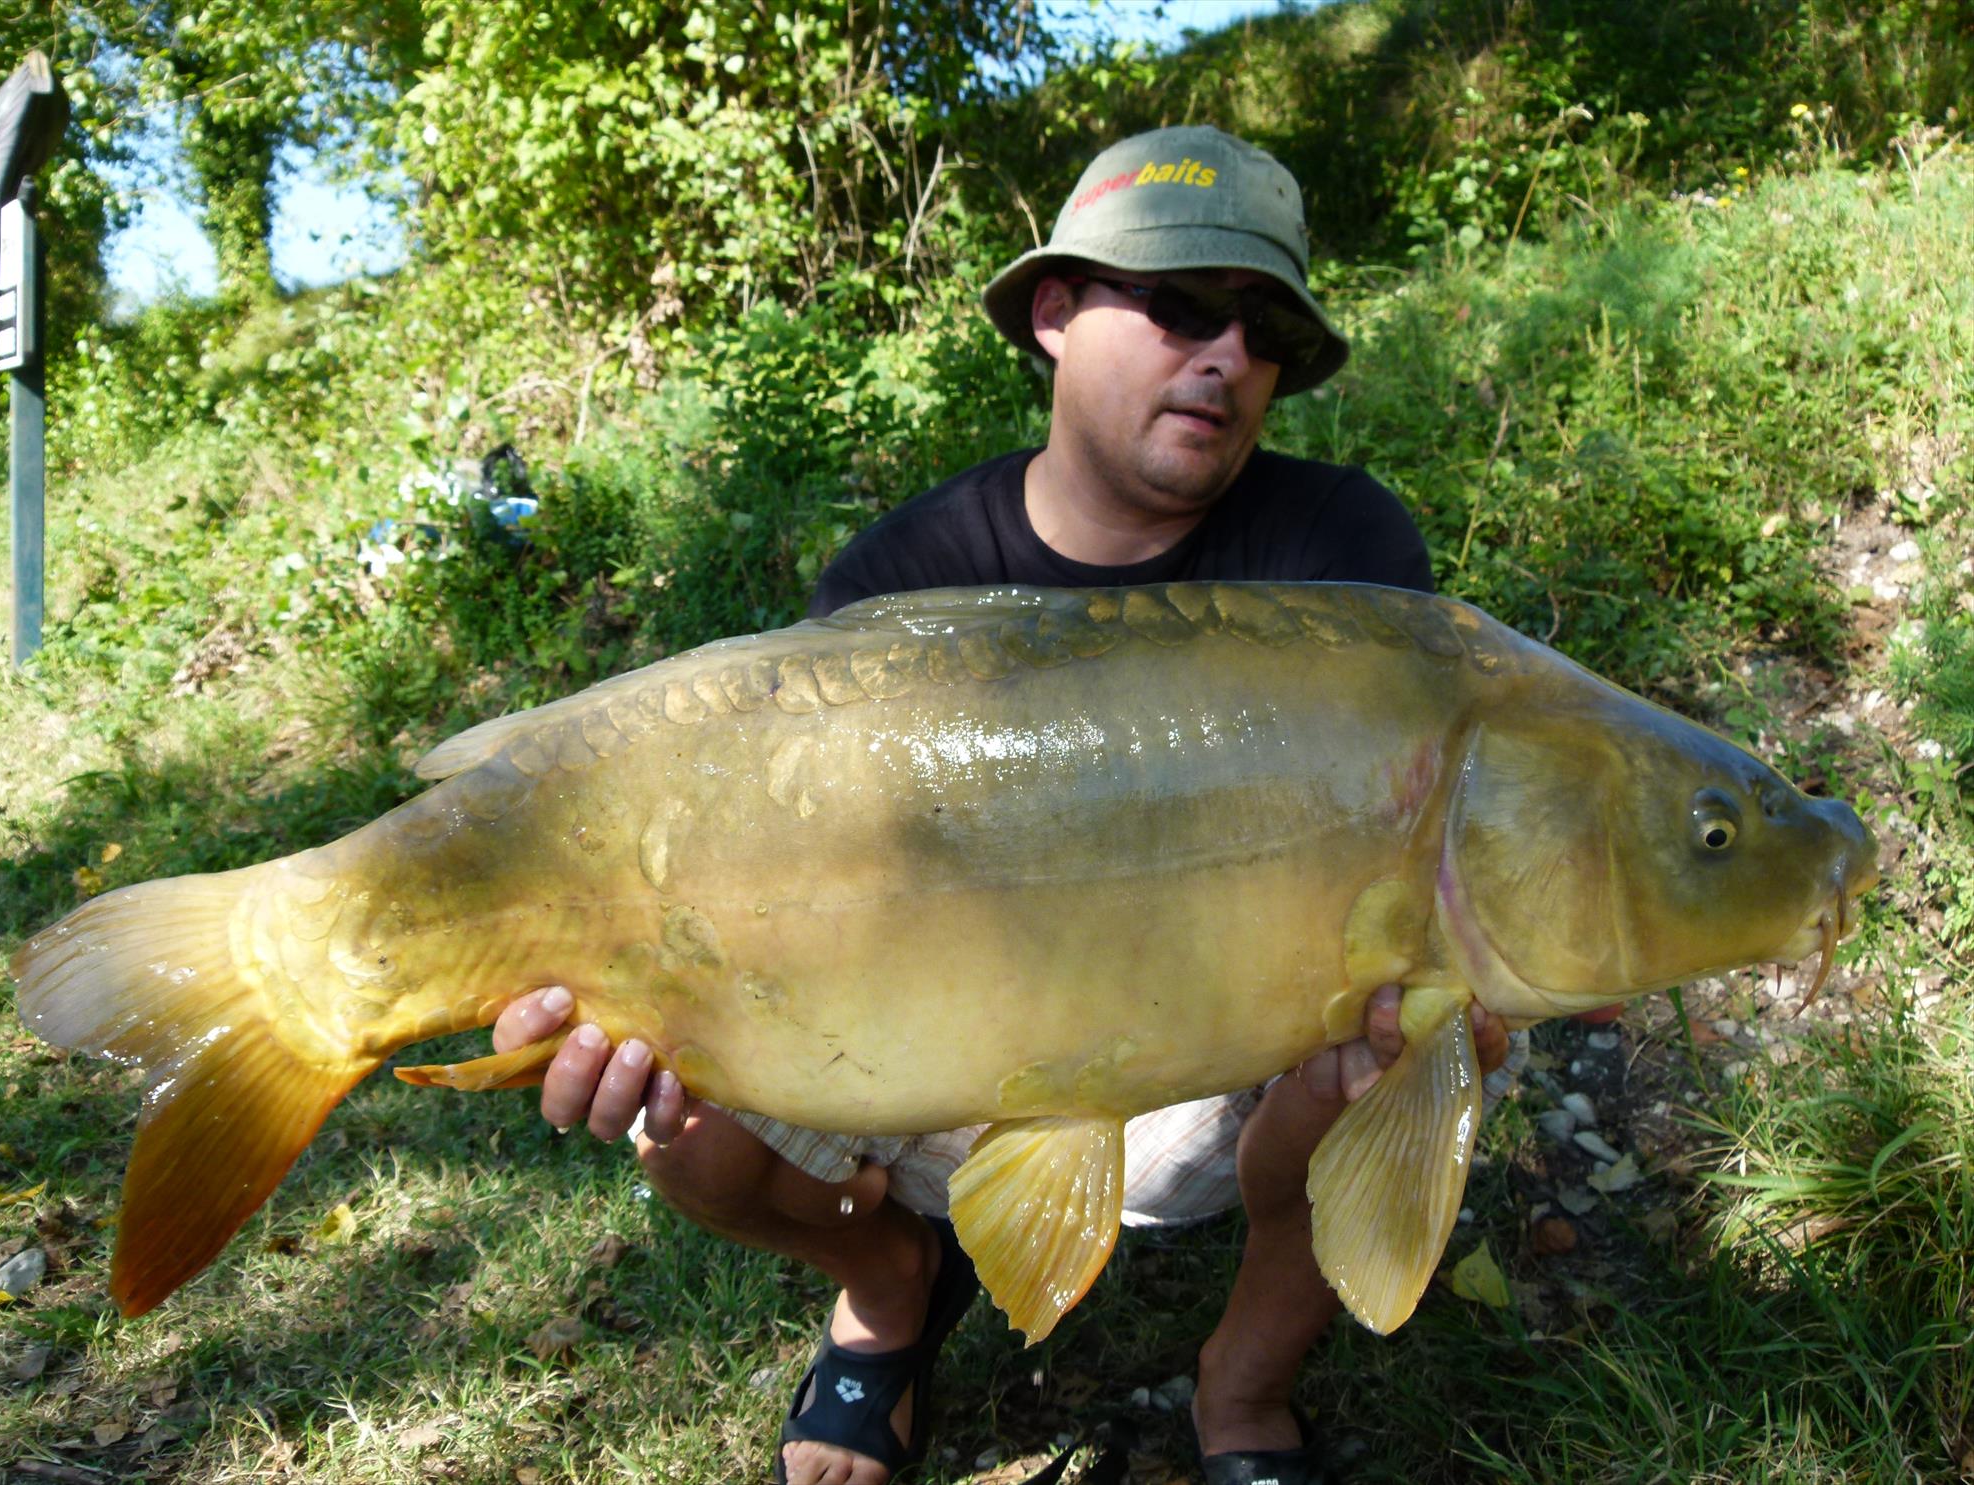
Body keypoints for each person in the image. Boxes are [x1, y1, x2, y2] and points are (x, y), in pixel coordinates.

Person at [494, 126, 1519, 1485]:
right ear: (1054, 312)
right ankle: (886, 1279)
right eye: (1182, 308)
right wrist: (668, 1003)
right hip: (919, 1033)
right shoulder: (902, 574)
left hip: (1208, 1050)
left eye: (1263, 327)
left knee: (1407, 1041)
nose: (1226, 355)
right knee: (683, 1130)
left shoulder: (1339, 557)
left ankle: (1243, 1390)